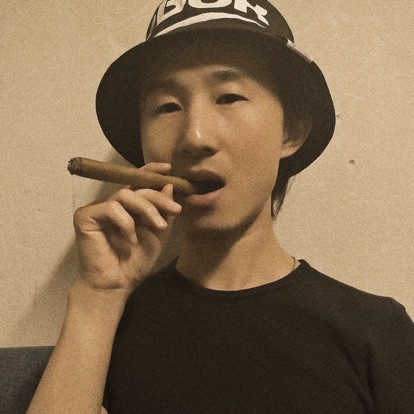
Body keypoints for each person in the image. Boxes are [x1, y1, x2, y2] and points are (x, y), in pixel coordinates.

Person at [29, 1, 414, 413]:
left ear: (291, 130)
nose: (194, 137)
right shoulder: (106, 328)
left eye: (229, 97)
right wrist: (97, 295)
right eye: (167, 106)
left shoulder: (377, 331)